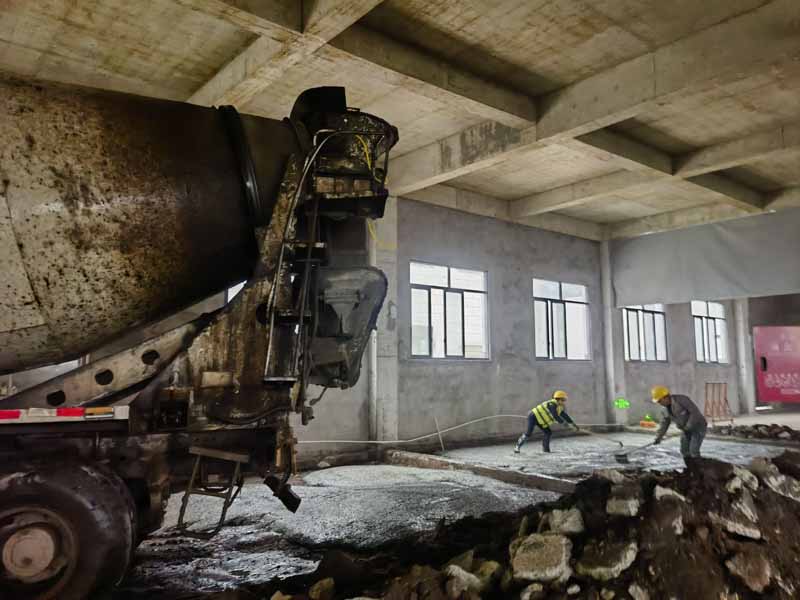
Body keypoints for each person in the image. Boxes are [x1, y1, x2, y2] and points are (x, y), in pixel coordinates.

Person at [514, 390, 580, 453]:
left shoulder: (559, 407)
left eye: (564, 400)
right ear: (558, 399)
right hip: (533, 417)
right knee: (528, 433)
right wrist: (563, 423)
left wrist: (573, 424)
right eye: (563, 400)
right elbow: (555, 415)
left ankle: (546, 450)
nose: (564, 402)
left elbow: (565, 416)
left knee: (548, 432)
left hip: (541, 421)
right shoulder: (552, 404)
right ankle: (517, 447)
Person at [651, 385, 707, 459]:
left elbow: (695, 413)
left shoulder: (682, 400)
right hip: (685, 429)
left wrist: (688, 426)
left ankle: (698, 465)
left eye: (659, 401)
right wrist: (659, 437)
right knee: (684, 450)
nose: (659, 403)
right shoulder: (664, 409)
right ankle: (690, 465)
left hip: (698, 427)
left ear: (665, 397)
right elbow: (664, 424)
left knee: (693, 451)